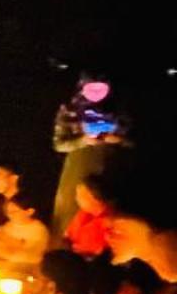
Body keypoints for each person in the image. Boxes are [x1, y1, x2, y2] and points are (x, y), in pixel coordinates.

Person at [52, 73, 130, 235]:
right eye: (91, 87)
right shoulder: (69, 110)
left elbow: (133, 141)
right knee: (72, 214)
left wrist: (118, 139)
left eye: (100, 87)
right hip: (80, 167)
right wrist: (83, 140)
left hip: (108, 166)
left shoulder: (118, 110)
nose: (96, 92)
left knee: (106, 214)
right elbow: (58, 144)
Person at [64, 177, 115, 258]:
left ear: (96, 200)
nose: (76, 198)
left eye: (81, 196)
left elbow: (103, 254)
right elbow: (68, 233)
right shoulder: (84, 212)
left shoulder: (110, 224)